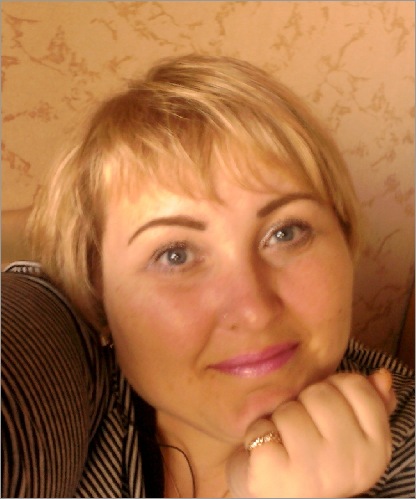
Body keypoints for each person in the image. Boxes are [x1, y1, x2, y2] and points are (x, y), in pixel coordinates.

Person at [1, 54, 414, 498]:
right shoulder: (55, 366)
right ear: (98, 293)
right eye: (175, 255)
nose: (253, 311)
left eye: (286, 232)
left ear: (345, 238)